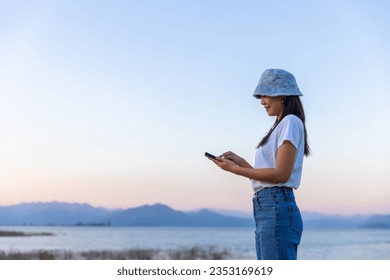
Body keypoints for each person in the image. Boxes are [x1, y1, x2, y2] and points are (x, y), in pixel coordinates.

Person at [209, 68, 310, 260]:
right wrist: (242, 164)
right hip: (268, 206)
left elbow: (281, 175)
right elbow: (271, 175)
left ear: (283, 95)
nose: (262, 101)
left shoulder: (290, 121)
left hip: (275, 206)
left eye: (266, 95)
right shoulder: (280, 126)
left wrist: (236, 170)